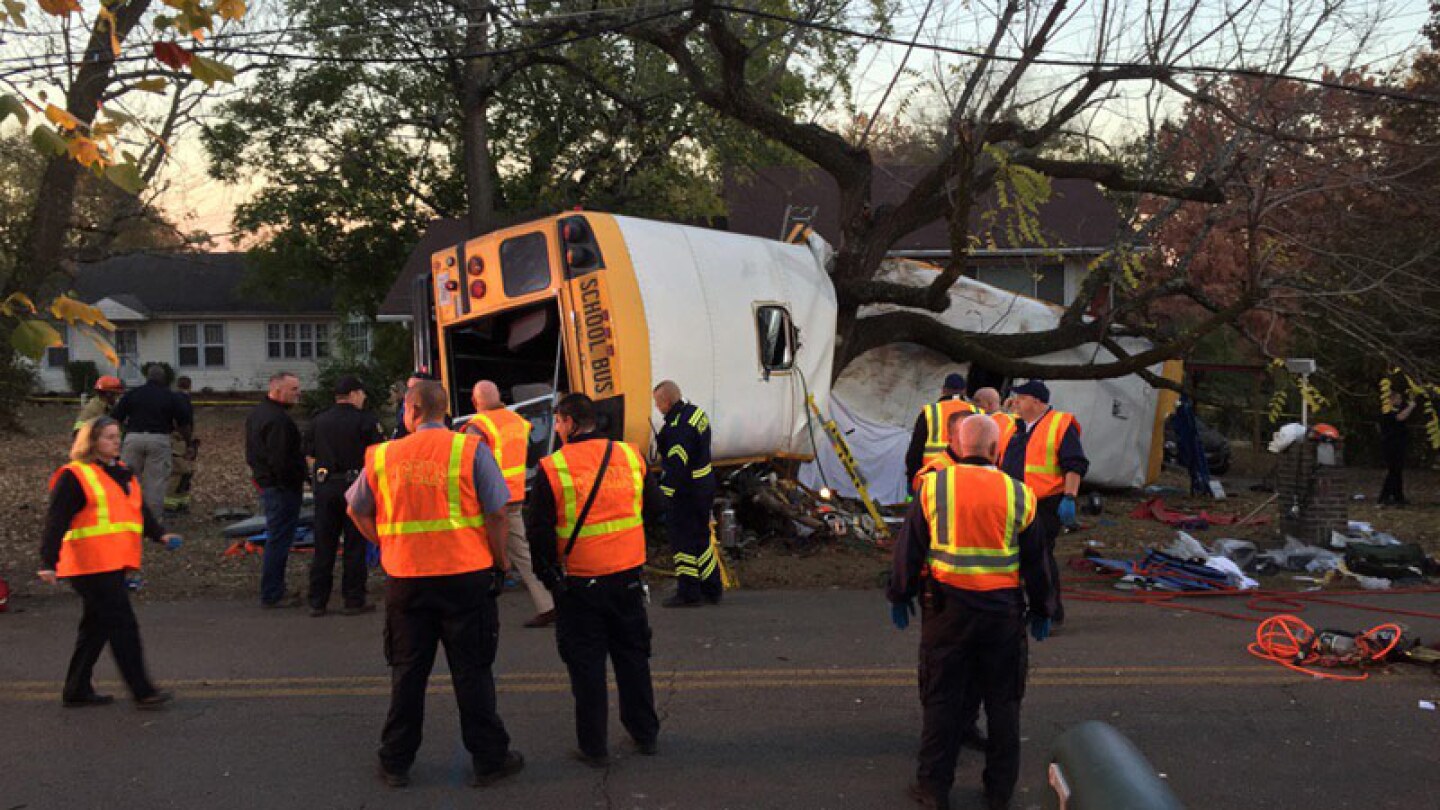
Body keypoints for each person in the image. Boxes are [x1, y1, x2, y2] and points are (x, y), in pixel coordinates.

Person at [347, 381, 524, 789]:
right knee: (472, 672)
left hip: (407, 580)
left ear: (411, 410)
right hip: (465, 578)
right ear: (445, 411)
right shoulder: (469, 450)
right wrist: (499, 561)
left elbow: (355, 510)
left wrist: (387, 542)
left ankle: (395, 761)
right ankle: (489, 759)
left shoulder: (384, 455)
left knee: (408, 673)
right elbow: (497, 513)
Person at [888, 414, 1056, 810]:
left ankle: (933, 789)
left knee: (942, 699)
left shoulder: (932, 488)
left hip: (947, 611)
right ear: (996, 451)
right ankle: (998, 791)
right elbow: (1037, 560)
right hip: (1002, 615)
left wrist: (899, 593)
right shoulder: (1020, 494)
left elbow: (908, 549)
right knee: (1003, 703)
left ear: (958, 447)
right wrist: (1043, 607)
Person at [529, 393, 660, 765]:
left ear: (570, 422)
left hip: (580, 582)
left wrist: (547, 576)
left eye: (557, 421)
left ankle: (594, 746)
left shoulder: (553, 468)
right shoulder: (629, 455)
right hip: (628, 575)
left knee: (586, 665)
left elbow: (538, 530)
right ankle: (645, 733)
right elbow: (653, 508)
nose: (556, 428)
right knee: (633, 656)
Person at [38, 417, 182, 710]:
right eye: (108, 437)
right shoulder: (75, 475)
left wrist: (160, 535)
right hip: (88, 565)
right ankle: (143, 690)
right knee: (122, 625)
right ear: (91, 442)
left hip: (112, 563)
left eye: (118, 436)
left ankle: (76, 689)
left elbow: (137, 510)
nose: (116, 442)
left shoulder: (122, 472)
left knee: (96, 627)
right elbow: (56, 521)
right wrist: (48, 561)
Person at [465, 380, 554, 628]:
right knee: (520, 550)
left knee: (483, 550)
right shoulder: (517, 420)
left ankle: (548, 604)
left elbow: (471, 464)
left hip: (489, 499)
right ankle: (548, 602)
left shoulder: (479, 426)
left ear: (475, 402)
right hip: (514, 494)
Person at [999, 381, 1086, 626]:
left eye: (1021, 398)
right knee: (1017, 558)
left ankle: (1049, 611)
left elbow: (1074, 464)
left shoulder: (1060, 424)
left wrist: (1069, 497)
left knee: (1040, 556)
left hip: (1045, 502)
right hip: (1014, 502)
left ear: (1037, 401)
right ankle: (1023, 608)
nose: (1015, 402)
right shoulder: (1015, 427)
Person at [303, 375, 384, 617]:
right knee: (355, 545)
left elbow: (308, 454)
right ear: (353, 395)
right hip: (355, 487)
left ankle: (317, 601)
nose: (365, 398)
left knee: (324, 545)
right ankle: (353, 599)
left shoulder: (318, 420)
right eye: (362, 393)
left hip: (326, 487)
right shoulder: (366, 421)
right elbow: (378, 455)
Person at [652, 380, 721, 608]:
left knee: (682, 541)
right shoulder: (695, 413)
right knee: (701, 538)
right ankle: (711, 588)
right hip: (704, 485)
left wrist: (663, 496)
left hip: (687, 491)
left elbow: (676, 466)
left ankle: (688, 591)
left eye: (658, 403)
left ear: (667, 402)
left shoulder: (679, 428)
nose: (657, 408)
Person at [245, 372, 307, 608]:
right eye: (293, 389)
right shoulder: (278, 420)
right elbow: (281, 459)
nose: (298, 393)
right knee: (279, 539)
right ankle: (273, 592)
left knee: (277, 537)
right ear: (278, 390)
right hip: (281, 488)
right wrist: (293, 480)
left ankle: (274, 589)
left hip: (269, 483)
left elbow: (252, 453)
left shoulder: (258, 414)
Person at [110, 365, 192, 518]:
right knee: (155, 482)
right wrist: (188, 442)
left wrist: (120, 437)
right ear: (164, 379)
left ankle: (125, 515)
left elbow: (115, 417)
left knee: (128, 478)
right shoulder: (170, 396)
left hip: (133, 438)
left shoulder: (132, 394)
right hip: (159, 439)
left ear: (147, 377)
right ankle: (152, 521)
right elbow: (183, 423)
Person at [906, 373, 977, 489]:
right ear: (964, 391)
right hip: (965, 481)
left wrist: (912, 479)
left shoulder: (930, 412)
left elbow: (915, 450)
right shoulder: (978, 413)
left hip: (931, 478)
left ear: (943, 390)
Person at [165, 376, 199, 514]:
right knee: (180, 472)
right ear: (190, 386)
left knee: (184, 473)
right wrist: (190, 442)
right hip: (178, 441)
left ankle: (180, 502)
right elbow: (186, 423)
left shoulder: (172, 398)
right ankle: (170, 505)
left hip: (174, 439)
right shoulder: (183, 401)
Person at [1378, 391, 1417, 506]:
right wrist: (1411, 407)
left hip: (1399, 444)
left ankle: (1398, 496)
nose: (1400, 401)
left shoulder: (1396, 410)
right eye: (1397, 399)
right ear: (1391, 400)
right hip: (1391, 445)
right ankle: (1384, 497)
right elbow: (1400, 417)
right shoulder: (1387, 412)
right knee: (1393, 471)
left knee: (1397, 471)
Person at [392, 370, 439, 440]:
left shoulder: (444, 425)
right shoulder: (403, 423)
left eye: (414, 390)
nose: (407, 395)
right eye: (408, 390)